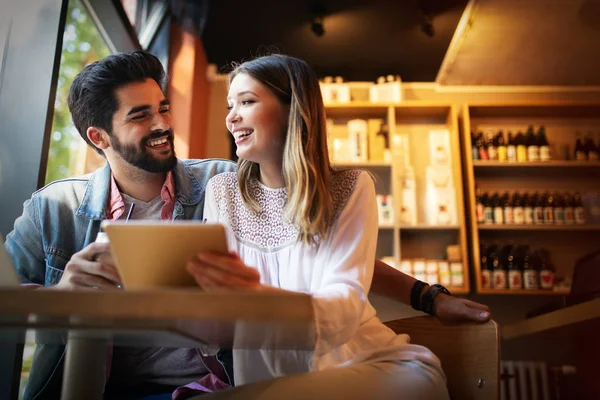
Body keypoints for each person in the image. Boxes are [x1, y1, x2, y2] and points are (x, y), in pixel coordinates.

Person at [5, 51, 489, 400]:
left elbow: (331, 256)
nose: (162, 124)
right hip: (106, 383)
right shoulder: (56, 209)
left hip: (208, 380)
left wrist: (430, 297)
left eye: (164, 108)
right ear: (99, 136)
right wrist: (62, 294)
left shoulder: (218, 181)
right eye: (141, 115)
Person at [185, 54, 456, 399]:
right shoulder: (222, 192)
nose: (231, 117)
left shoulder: (351, 188)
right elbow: (213, 321)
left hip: (368, 368)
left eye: (247, 102)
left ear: (292, 109)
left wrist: (256, 300)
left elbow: (344, 307)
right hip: (267, 383)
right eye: (229, 105)